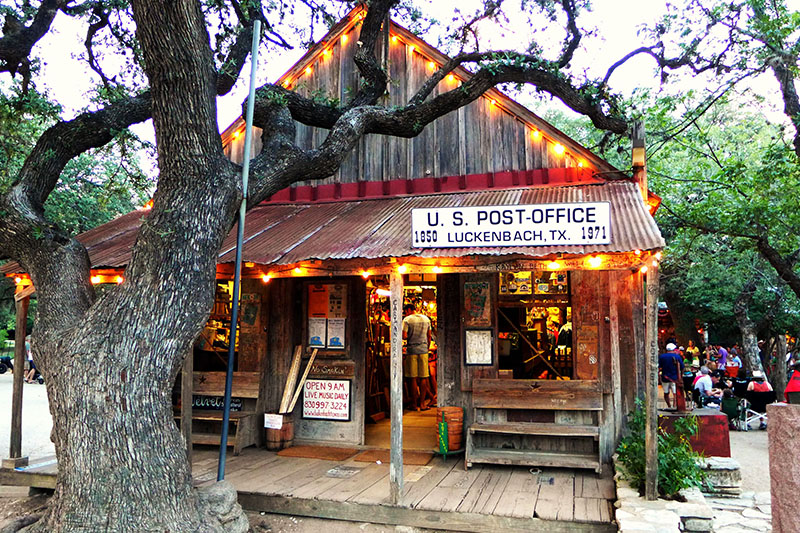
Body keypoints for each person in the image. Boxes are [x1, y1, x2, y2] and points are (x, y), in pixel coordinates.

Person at [402, 304, 434, 411]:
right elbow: (429, 336)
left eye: (405, 311)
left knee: (413, 378)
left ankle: (414, 404)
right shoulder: (426, 319)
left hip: (412, 350)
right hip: (424, 350)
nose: (405, 313)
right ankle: (422, 404)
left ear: (409, 310)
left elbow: (404, 336)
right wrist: (427, 347)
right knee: (424, 377)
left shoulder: (407, 320)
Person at [658, 343, 684, 409]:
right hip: (675, 378)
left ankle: (669, 406)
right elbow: (682, 367)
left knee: (666, 392)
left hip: (665, 377)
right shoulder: (677, 356)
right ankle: (675, 405)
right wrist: (681, 376)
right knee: (675, 393)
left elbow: (659, 367)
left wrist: (659, 376)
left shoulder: (662, 356)